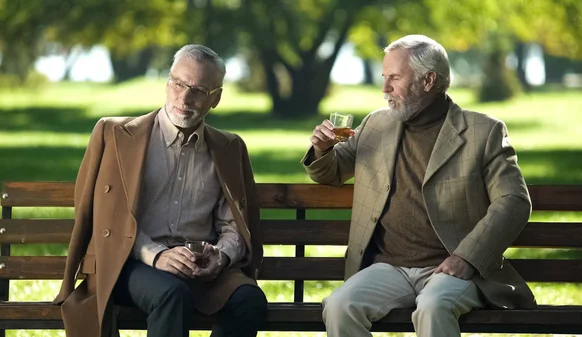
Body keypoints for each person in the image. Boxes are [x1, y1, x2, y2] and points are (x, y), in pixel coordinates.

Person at [302, 34, 536, 337]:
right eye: (384, 77)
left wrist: (466, 258)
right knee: (339, 306)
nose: (384, 88)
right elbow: (330, 172)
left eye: (395, 78)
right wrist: (322, 149)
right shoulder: (376, 125)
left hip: (452, 269)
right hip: (389, 268)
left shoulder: (483, 131)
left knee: (433, 305)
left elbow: (514, 200)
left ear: (429, 80)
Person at [54, 44, 267, 337]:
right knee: (172, 294)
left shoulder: (229, 148)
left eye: (198, 90)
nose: (184, 97)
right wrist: (156, 256)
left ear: (215, 98)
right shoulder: (115, 135)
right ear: (168, 82)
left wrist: (221, 256)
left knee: (249, 300)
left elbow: (234, 225)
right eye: (178, 84)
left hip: (199, 269)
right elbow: (105, 219)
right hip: (128, 262)